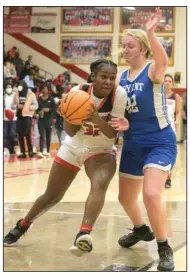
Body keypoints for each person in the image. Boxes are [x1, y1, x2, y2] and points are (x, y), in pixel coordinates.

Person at [4, 59, 129, 257]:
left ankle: (83, 234)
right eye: (103, 77)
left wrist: (96, 118)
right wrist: (74, 117)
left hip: (101, 149)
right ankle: (23, 224)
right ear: (92, 77)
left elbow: (112, 134)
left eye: (112, 78)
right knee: (52, 196)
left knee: (99, 185)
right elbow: (70, 131)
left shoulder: (119, 94)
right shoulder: (76, 92)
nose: (108, 82)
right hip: (74, 145)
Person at [110, 8, 177, 272]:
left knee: (151, 194)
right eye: (123, 45)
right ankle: (140, 229)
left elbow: (164, 62)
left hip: (159, 142)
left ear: (143, 49)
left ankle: (163, 246)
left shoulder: (153, 71)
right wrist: (121, 123)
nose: (124, 49)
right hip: (132, 143)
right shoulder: (120, 79)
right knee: (125, 199)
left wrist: (150, 31)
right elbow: (119, 114)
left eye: (130, 45)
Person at [164, 74, 181, 188]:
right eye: (165, 80)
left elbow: (178, 112)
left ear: (172, 83)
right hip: (158, 128)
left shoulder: (176, 96)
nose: (168, 83)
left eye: (170, 81)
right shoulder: (157, 95)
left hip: (171, 127)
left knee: (169, 152)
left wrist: (177, 121)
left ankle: (168, 178)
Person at [14, 80, 39, 158]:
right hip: (19, 117)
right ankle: (23, 152)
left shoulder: (31, 94)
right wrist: (17, 106)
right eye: (18, 85)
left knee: (27, 134)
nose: (19, 87)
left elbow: (36, 105)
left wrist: (29, 107)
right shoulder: (17, 94)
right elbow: (12, 105)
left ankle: (30, 151)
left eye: (21, 85)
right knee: (20, 135)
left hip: (27, 116)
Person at [37, 84, 56, 157]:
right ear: (41, 90)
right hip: (41, 120)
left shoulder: (51, 99)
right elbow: (36, 109)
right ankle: (41, 151)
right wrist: (39, 112)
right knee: (42, 135)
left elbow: (54, 109)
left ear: (48, 90)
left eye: (46, 89)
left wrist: (49, 110)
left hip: (49, 120)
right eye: (43, 89)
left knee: (48, 136)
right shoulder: (39, 99)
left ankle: (47, 151)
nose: (45, 90)